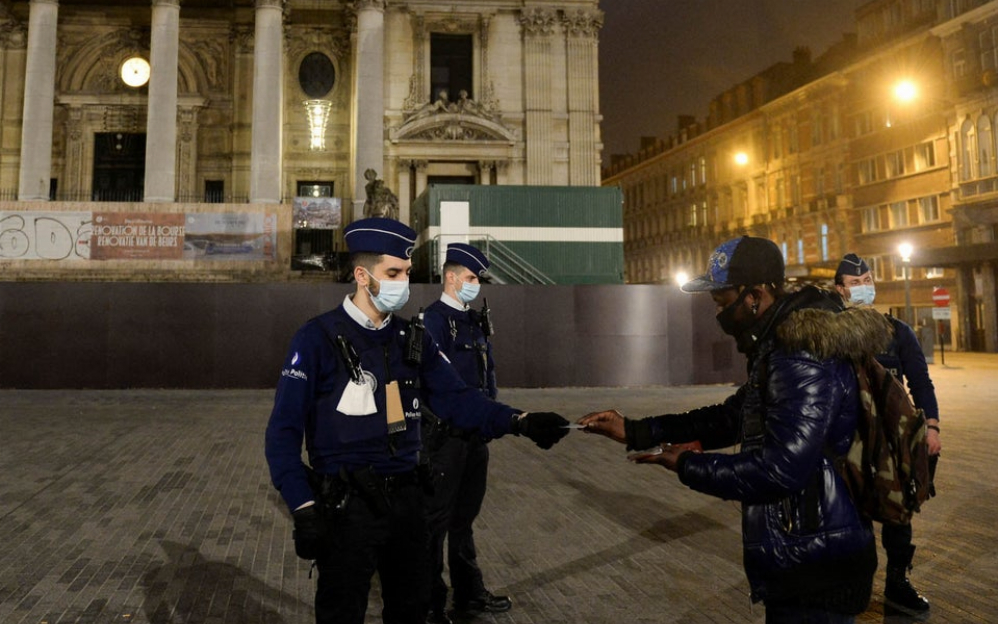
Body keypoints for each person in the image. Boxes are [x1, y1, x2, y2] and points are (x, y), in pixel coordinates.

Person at [264, 218, 569, 624]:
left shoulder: (412, 339)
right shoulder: (316, 338)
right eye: (393, 273)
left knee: (413, 609)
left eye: (406, 273)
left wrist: (521, 421)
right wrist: (303, 506)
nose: (403, 283)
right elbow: (283, 432)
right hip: (346, 509)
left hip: (408, 505)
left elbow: (459, 399)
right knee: (342, 612)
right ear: (362, 275)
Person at [579, 236, 883, 624]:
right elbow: (730, 418)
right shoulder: (780, 346)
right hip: (806, 552)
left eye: (723, 303)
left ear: (755, 295)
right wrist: (636, 430)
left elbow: (780, 469)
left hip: (816, 563)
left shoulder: (801, 353)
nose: (719, 315)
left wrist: (688, 465)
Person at [834, 252, 942, 616]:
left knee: (900, 512)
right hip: (848, 439)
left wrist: (932, 427)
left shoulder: (897, 332)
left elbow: (921, 383)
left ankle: (898, 582)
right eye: (855, 284)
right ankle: (852, 584)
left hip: (893, 440)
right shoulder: (831, 332)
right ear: (840, 290)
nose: (863, 288)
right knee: (849, 514)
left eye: (867, 281)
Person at [421, 244, 509, 624]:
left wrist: (490, 413)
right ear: (452, 278)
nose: (476, 285)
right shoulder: (433, 321)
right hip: (445, 438)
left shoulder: (474, 321)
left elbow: (487, 373)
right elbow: (435, 384)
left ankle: (469, 593)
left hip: (475, 437)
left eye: (478, 280)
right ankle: (429, 603)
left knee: (464, 519)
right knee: (435, 521)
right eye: (471, 278)